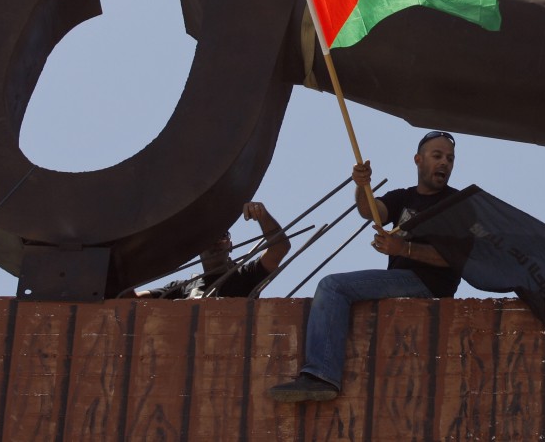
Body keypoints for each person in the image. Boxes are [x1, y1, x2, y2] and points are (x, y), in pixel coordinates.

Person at [270, 131, 462, 402]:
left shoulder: (456, 204)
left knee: (333, 287)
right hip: (402, 280)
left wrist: (403, 249)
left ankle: (321, 376)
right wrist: (362, 185)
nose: (444, 163)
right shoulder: (403, 197)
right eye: (437, 156)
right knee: (335, 287)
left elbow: (456, 258)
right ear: (418, 160)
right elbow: (369, 211)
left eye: (450, 159)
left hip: (428, 284)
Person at [138, 201, 290, 298]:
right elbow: (133, 299)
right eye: (208, 238)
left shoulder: (245, 275)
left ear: (230, 245)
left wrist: (262, 215)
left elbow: (280, 248)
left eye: (222, 236)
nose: (215, 242)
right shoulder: (181, 288)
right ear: (196, 248)